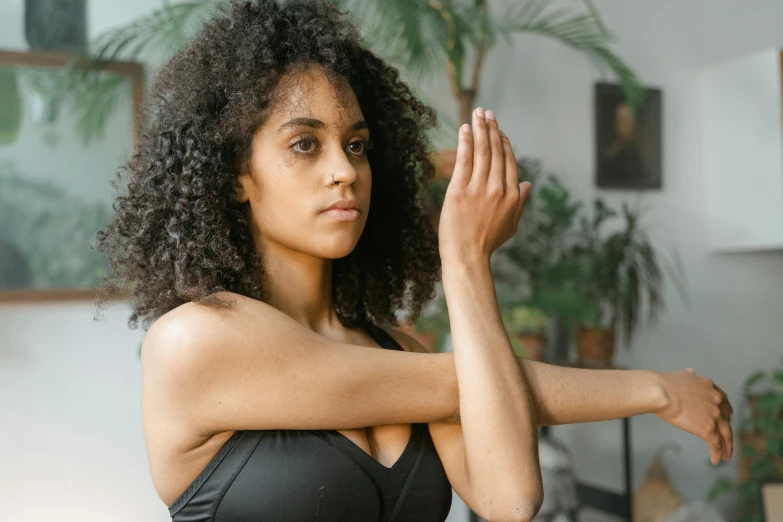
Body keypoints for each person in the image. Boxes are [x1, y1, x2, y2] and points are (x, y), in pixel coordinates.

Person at [94, 1, 733, 521]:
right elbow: (470, 386)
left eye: (357, 145)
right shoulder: (194, 342)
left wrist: (467, 264)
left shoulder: (401, 346)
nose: (345, 171)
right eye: (305, 144)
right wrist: (654, 390)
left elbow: (510, 499)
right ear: (236, 175)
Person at [599, 101, 649, 185]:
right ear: (615, 124)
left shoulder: (636, 155)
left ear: (633, 125)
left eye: (627, 120)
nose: (624, 125)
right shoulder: (608, 155)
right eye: (621, 120)